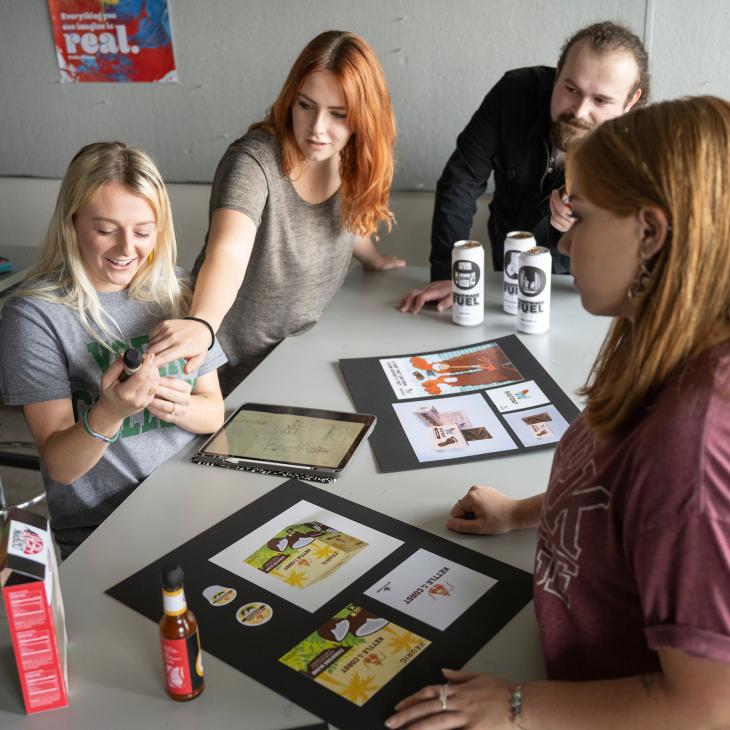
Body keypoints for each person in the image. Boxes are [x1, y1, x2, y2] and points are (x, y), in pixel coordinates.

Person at [386, 96, 730, 728]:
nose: (566, 239)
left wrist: (519, 707)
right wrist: (521, 513)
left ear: (649, 234)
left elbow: (706, 706)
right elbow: (616, 489)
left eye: (586, 216)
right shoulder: (655, 343)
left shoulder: (695, 444)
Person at [0, 142, 227, 559]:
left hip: (193, 504)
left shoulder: (174, 289)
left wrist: (176, 406)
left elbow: (214, 411)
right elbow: (61, 466)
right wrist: (111, 412)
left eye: (143, 231)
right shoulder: (34, 317)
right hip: (104, 529)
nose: (126, 249)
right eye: (105, 230)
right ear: (71, 224)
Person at [147, 30, 404, 395]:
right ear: (290, 100)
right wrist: (202, 323)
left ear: (363, 118)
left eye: (338, 114)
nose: (317, 128)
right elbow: (228, 252)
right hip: (218, 369)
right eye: (306, 105)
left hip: (292, 360)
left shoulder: (350, 157)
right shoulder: (253, 162)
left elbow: (348, 221)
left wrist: (374, 259)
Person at [399, 21, 649, 314]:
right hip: (507, 265)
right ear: (558, 72)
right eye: (570, 89)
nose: (580, 111)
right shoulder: (514, 93)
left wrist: (588, 230)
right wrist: (449, 274)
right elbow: (461, 181)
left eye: (601, 100)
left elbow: (638, 254)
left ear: (631, 100)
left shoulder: (643, 151)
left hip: (580, 289)